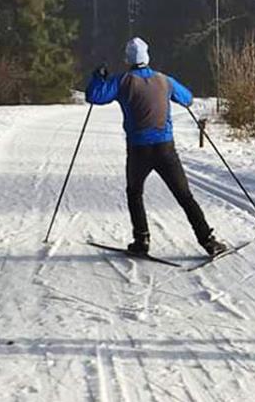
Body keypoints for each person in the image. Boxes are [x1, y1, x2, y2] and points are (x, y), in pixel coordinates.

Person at [86, 37, 228, 257]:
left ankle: (141, 241)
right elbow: (188, 99)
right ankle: (208, 241)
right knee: (184, 196)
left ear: (128, 59)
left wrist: (98, 77)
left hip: (138, 150)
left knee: (134, 193)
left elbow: (94, 97)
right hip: (165, 149)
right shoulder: (164, 80)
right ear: (147, 57)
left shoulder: (122, 81)